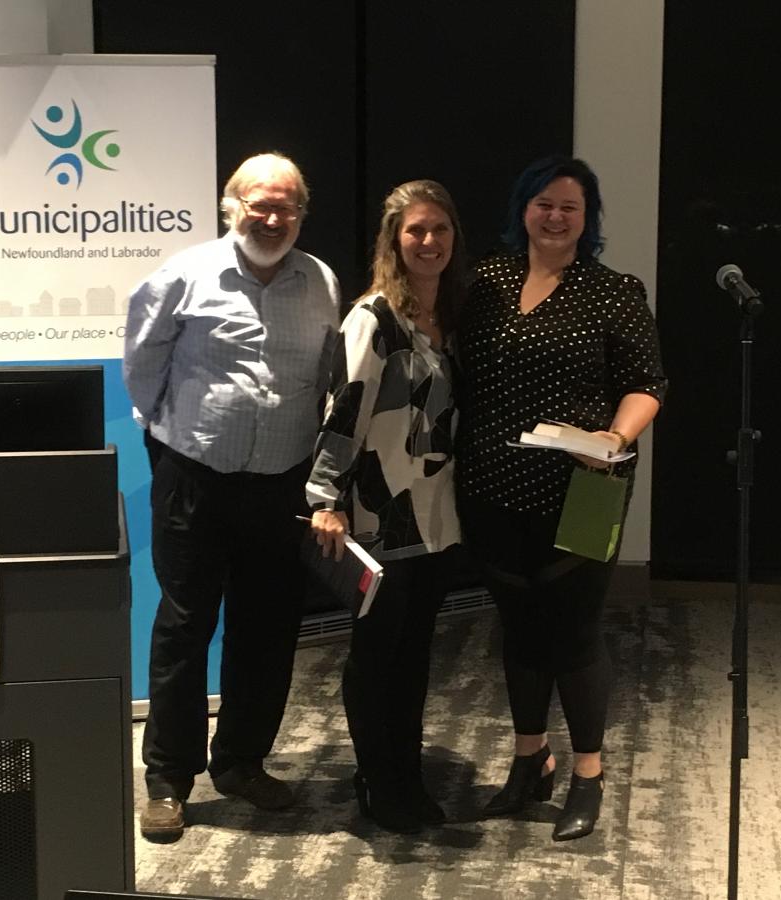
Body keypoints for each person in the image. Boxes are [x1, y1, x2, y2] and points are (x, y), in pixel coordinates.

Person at [124, 152, 341, 842]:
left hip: (281, 485)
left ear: (301, 215)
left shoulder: (321, 283)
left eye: (286, 207)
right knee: (185, 627)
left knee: (267, 629)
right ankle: (167, 778)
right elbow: (141, 367)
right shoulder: (183, 275)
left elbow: (328, 377)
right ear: (231, 207)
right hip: (194, 478)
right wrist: (171, 445)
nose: (272, 218)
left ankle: (242, 762)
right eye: (259, 204)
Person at [456, 156, 667, 842]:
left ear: (588, 219)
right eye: (543, 203)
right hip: (492, 484)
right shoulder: (484, 282)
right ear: (523, 209)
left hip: (588, 488)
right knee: (518, 629)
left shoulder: (613, 291)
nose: (555, 216)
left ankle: (588, 773)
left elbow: (647, 382)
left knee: (574, 633)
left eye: (569, 208)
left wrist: (613, 433)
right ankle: (528, 763)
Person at [307, 180, 464, 834]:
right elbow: (342, 412)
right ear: (394, 240)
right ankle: (378, 778)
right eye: (415, 231)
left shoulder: (448, 319)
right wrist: (324, 497)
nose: (428, 243)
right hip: (378, 516)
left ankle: (402, 768)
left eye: (440, 230)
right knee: (377, 658)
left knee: (415, 656)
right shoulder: (373, 319)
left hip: (434, 519)